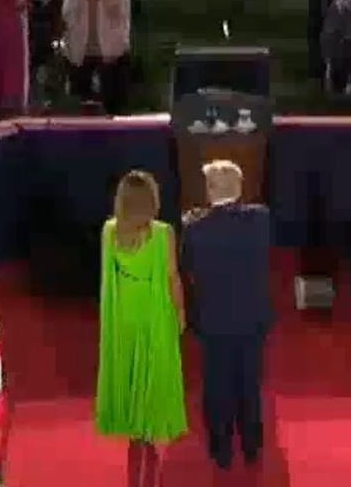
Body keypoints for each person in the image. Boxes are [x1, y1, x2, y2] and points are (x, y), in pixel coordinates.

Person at [97, 170, 190, 484]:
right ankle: (149, 424)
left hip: (124, 313)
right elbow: (172, 278)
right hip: (154, 312)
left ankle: (134, 424)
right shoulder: (164, 233)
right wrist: (180, 312)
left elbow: (107, 280)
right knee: (153, 368)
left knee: (130, 367)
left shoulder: (109, 231)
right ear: (152, 199)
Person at [181, 159, 273, 471]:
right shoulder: (261, 219)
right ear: (240, 189)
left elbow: (187, 270)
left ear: (209, 190)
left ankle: (221, 450)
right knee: (249, 383)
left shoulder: (194, 229)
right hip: (252, 318)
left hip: (213, 320)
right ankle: (251, 446)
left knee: (217, 385)